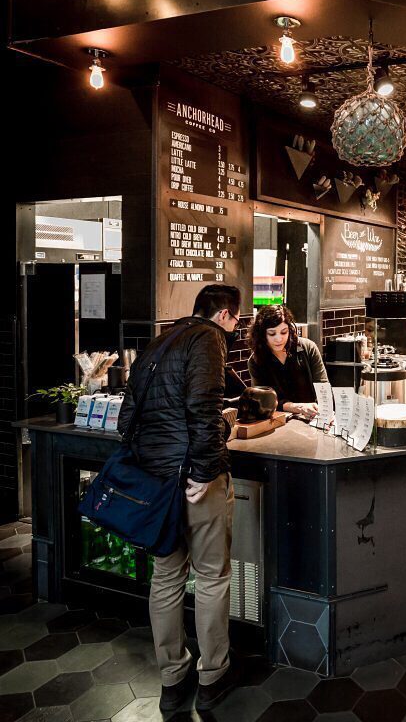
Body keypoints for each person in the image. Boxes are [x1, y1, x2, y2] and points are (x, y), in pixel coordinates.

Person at [117, 284, 242, 712]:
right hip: (195, 480)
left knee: (166, 577)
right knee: (211, 576)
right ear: (224, 315)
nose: (236, 327)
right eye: (235, 319)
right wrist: (207, 469)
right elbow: (203, 406)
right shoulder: (208, 339)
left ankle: (173, 677)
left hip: (158, 480)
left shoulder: (159, 340)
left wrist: (154, 466)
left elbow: (127, 415)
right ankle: (213, 675)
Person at [248, 305, 327, 420]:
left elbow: (323, 386)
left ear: (290, 330)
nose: (279, 339)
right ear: (262, 334)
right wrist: (298, 407)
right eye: (272, 333)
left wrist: (326, 410)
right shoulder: (256, 361)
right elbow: (263, 402)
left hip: (314, 418)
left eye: (284, 332)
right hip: (279, 422)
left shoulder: (308, 348)